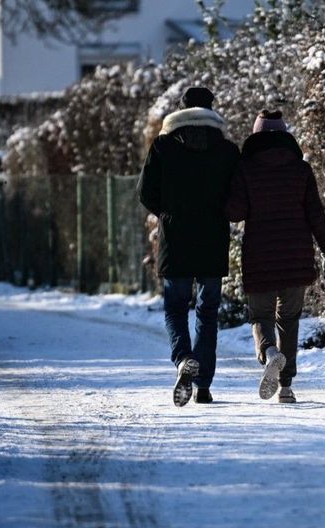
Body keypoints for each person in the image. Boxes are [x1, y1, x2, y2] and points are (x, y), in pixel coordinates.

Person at [225, 110, 325, 404]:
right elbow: (317, 216)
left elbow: (234, 213)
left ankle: (270, 353)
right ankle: (286, 387)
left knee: (260, 315)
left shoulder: (246, 169)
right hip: (296, 257)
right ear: (286, 135)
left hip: (260, 257)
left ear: (255, 136)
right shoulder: (301, 170)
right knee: (288, 320)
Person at [138, 87, 240, 406]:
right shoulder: (226, 150)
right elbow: (237, 196)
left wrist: (167, 215)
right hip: (212, 240)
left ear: (179, 110)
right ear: (212, 110)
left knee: (175, 307)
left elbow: (145, 192)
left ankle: (183, 358)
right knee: (208, 312)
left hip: (175, 239)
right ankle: (204, 385)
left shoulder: (163, 146)